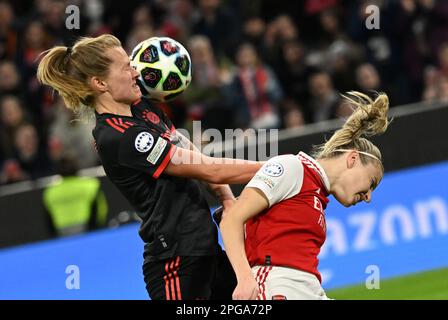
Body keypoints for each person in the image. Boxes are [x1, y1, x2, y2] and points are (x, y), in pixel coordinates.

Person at [36, 34, 262, 300]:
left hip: (206, 250)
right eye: (126, 67)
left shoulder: (141, 107)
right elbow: (206, 168)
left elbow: (188, 149)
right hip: (176, 265)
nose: (136, 72)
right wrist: (279, 168)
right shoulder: (119, 137)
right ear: (100, 83)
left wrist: (225, 198)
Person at [219, 91, 390, 300]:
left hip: (309, 289)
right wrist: (245, 278)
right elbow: (231, 220)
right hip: (278, 285)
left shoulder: (316, 195)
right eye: (371, 183)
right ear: (353, 159)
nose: (369, 197)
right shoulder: (293, 168)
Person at [43, 155, 108, 237]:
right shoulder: (91, 185)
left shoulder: (50, 192)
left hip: (62, 234)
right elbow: (100, 210)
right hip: (88, 231)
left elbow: (48, 219)